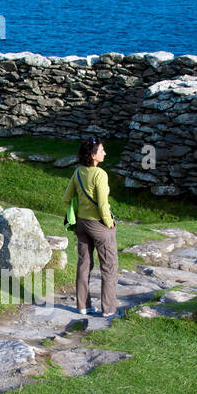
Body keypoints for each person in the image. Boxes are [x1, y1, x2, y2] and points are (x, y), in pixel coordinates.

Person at [62, 136, 120, 317]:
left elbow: (66, 197)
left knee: (84, 264)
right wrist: (109, 223)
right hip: (99, 225)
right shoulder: (100, 174)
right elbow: (103, 204)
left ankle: (82, 306)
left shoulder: (78, 172)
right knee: (109, 267)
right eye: (102, 150)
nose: (105, 153)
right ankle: (108, 310)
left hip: (81, 224)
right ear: (93, 155)